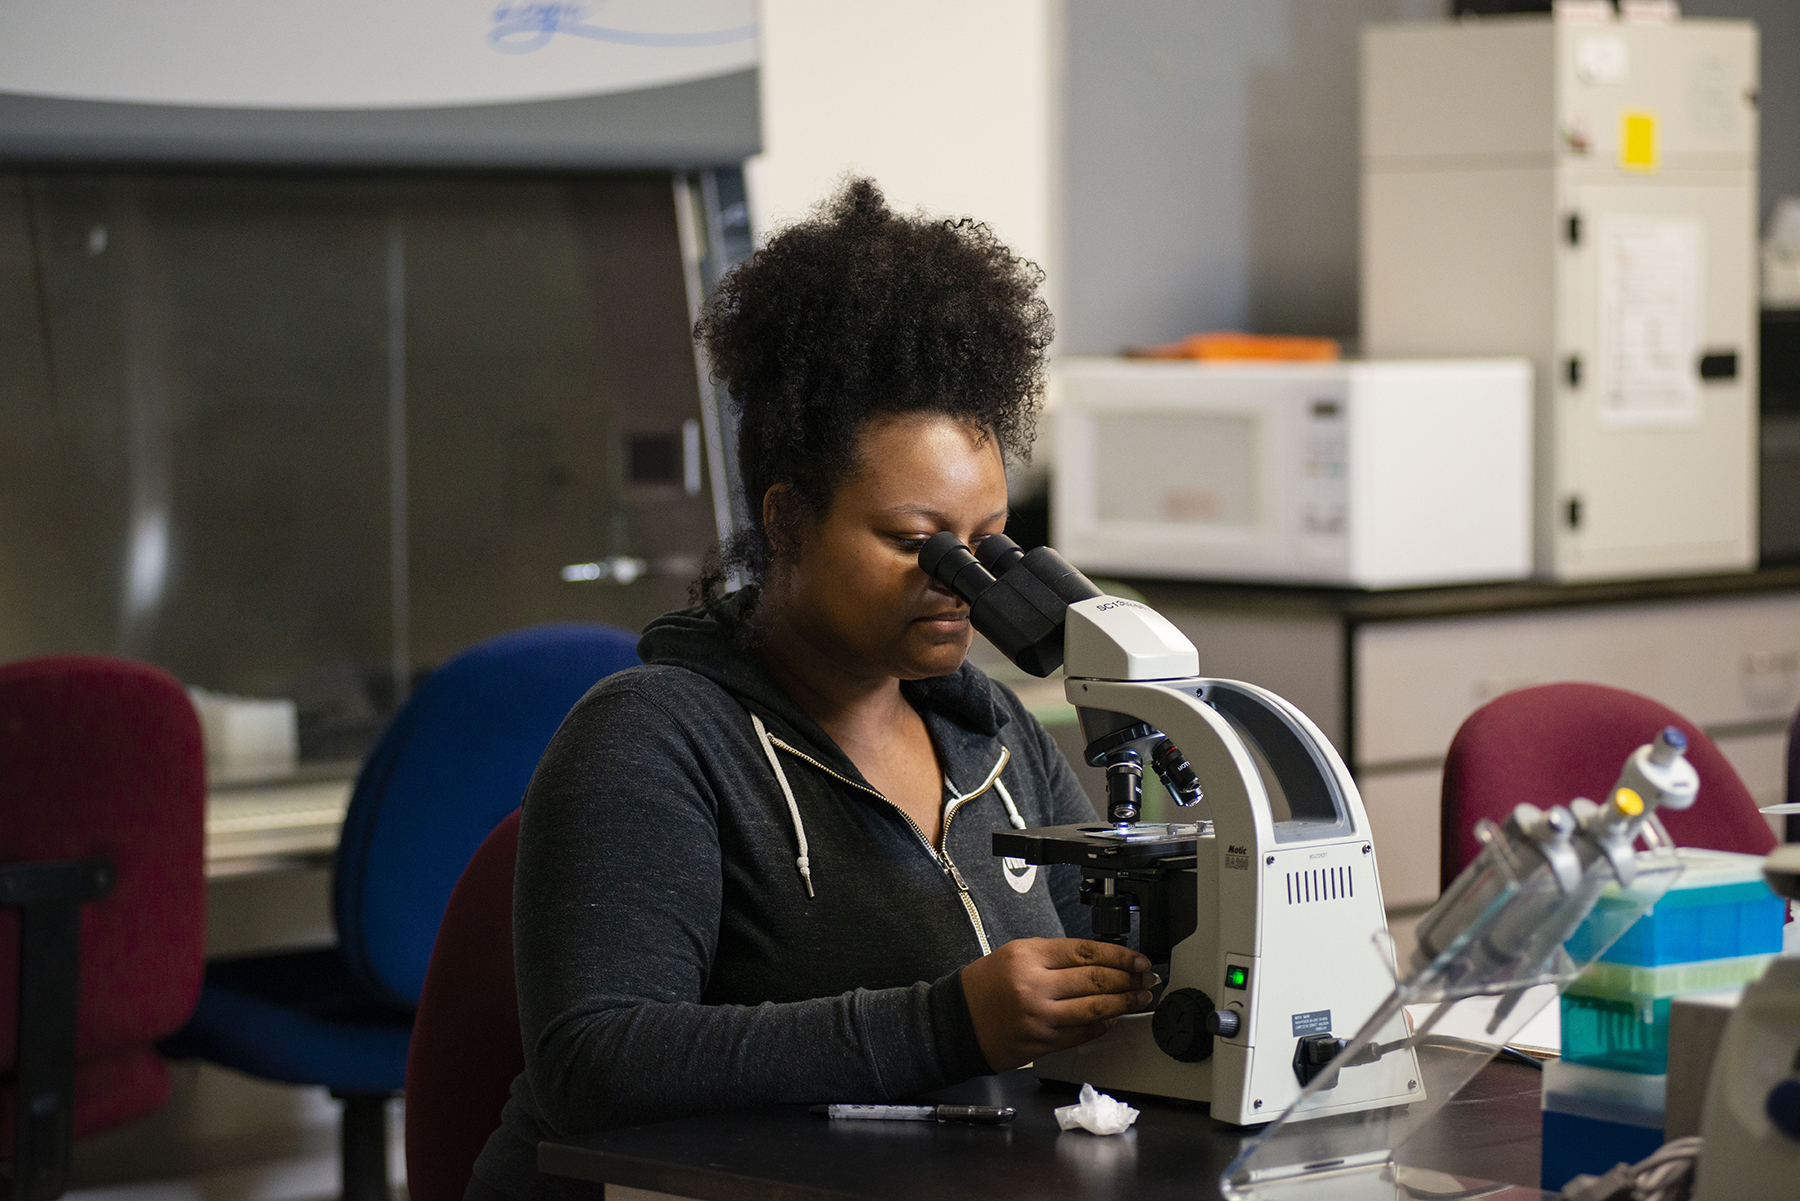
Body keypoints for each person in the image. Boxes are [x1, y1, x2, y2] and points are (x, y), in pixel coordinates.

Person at [470, 179, 1155, 1201]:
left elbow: (1099, 996)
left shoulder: (993, 732)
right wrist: (944, 1022)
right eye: (915, 542)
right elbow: (592, 1062)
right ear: (787, 520)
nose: (959, 583)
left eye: (984, 545)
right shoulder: (653, 738)